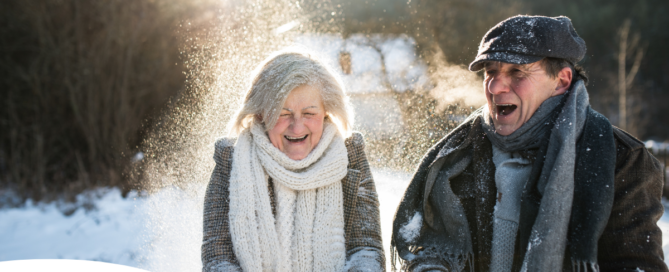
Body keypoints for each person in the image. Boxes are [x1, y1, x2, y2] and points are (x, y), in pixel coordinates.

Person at [391, 15, 667, 272]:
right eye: (490, 71)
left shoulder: (623, 158)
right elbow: (429, 250)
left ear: (561, 80)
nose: (495, 87)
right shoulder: (459, 155)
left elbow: (635, 265)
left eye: (517, 73)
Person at [201, 50, 385, 272]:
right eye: (282, 113)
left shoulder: (350, 158)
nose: (297, 127)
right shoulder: (231, 162)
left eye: (309, 113)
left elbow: (366, 249)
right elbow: (218, 257)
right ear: (260, 114)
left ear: (326, 111)